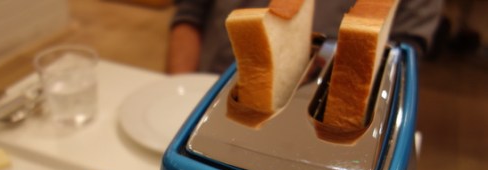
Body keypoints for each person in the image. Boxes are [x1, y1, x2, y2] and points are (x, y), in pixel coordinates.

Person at [167, 0, 444, 74]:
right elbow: (191, 13)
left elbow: (399, 57)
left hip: (314, 126)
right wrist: (180, 89)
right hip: (205, 91)